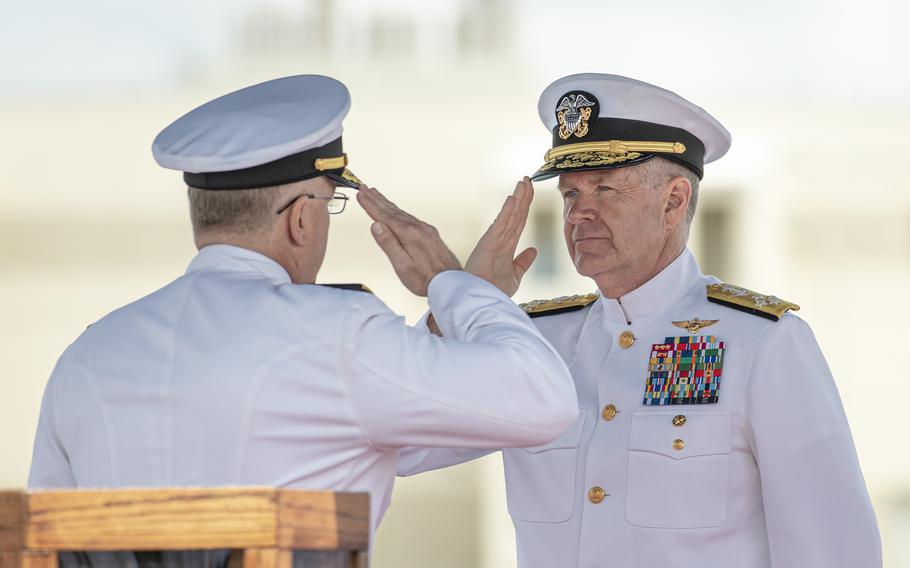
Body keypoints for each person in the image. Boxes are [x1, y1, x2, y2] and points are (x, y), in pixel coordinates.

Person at [27, 75, 579, 551]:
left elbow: (45, 542)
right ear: (300, 221)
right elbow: (542, 399)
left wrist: (459, 305)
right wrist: (452, 286)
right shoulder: (333, 337)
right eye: (329, 205)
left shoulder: (87, 355)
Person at [399, 73, 882, 567]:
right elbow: (402, 446)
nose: (579, 215)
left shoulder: (759, 342)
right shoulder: (534, 343)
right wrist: (461, 306)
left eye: (605, 189)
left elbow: (834, 548)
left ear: (673, 201)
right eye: (570, 195)